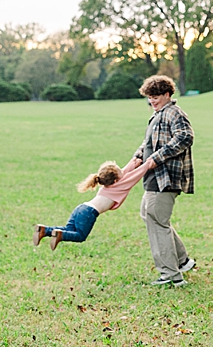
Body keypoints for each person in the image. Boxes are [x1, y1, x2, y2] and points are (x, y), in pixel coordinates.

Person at [132, 75, 196, 287]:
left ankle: (171, 275)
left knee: (157, 220)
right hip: (153, 176)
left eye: (156, 96)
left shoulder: (174, 113)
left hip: (166, 176)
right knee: (150, 215)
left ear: (168, 94)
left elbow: (186, 137)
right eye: (150, 97)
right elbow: (149, 141)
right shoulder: (158, 114)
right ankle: (183, 261)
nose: (152, 101)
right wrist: (139, 155)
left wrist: (156, 158)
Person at [33, 158, 155, 250]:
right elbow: (134, 175)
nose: (123, 171)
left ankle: (44, 230)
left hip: (81, 208)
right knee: (80, 236)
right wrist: (148, 164)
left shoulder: (108, 184)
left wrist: (134, 162)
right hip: (89, 213)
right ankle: (59, 235)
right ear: (116, 180)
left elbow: (124, 172)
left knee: (69, 229)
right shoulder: (120, 184)